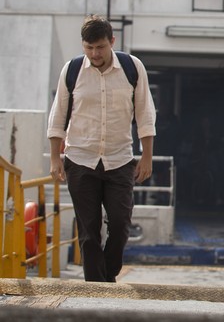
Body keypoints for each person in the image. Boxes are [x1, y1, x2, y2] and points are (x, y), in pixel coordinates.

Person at [47, 15, 157, 282]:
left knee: (120, 224)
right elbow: (58, 116)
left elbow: (145, 113)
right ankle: (96, 287)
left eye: (100, 47)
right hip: (79, 158)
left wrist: (147, 156)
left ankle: (106, 277)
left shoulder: (132, 67)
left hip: (119, 159)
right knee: (88, 230)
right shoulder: (72, 70)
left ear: (112, 41)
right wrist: (54, 158)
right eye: (88, 47)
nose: (94, 54)